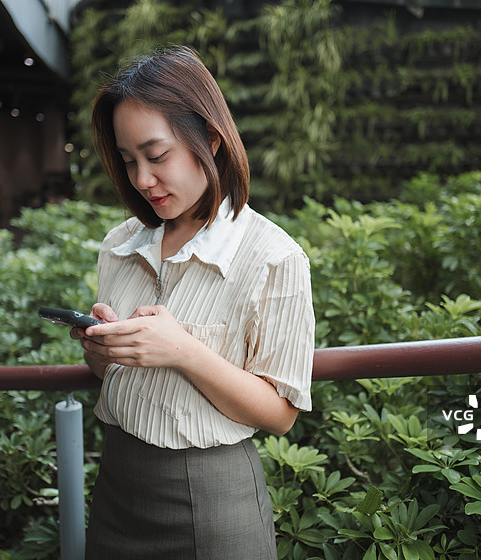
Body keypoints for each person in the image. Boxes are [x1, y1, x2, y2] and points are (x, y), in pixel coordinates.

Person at [71, 46, 315, 559]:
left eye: (157, 156)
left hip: (212, 499)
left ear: (210, 138)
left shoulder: (273, 256)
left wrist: (183, 349)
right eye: (128, 160)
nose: (141, 180)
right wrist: (101, 354)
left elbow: (281, 414)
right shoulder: (120, 244)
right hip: (116, 485)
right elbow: (114, 376)